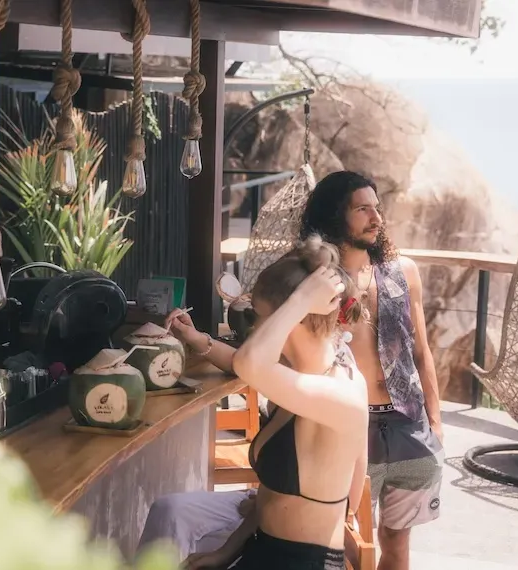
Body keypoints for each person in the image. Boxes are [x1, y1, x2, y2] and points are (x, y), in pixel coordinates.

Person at [140, 237, 369, 570]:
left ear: (290, 320)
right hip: (264, 550)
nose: (255, 328)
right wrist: (226, 552)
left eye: (258, 317)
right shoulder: (298, 377)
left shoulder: (339, 395)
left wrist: (301, 299)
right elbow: (274, 497)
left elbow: (248, 363)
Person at [299, 170, 445, 570]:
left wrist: (434, 419)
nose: (376, 217)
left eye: (376, 208)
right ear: (334, 215)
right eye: (362, 209)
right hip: (346, 426)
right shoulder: (315, 281)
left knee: (396, 543)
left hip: (407, 427)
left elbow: (421, 349)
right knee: (339, 540)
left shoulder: (404, 272)